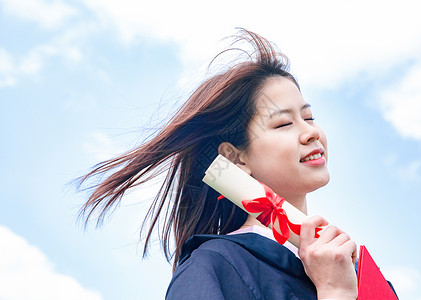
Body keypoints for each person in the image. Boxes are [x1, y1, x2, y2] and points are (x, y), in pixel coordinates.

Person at [80, 29, 361, 299]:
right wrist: (335, 293)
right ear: (234, 157)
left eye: (309, 118)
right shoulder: (213, 266)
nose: (311, 132)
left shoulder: (354, 270)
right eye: (284, 123)